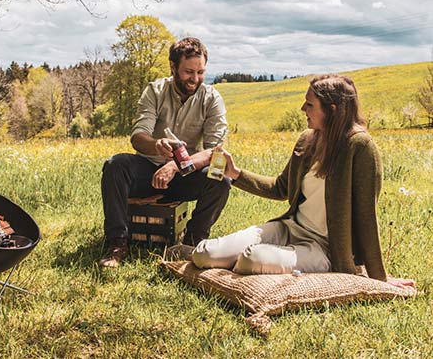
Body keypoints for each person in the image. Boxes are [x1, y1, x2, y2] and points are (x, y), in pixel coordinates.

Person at [190, 74, 414, 288]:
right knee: (204, 254)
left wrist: (380, 278)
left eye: (309, 105)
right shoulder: (308, 139)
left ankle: (264, 260)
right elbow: (281, 188)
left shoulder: (361, 147)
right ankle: (189, 251)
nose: (302, 109)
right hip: (289, 228)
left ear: (332, 109)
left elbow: (367, 216)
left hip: (324, 247)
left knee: (250, 259)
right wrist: (235, 173)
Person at [99, 37, 231, 268]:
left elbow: (216, 150)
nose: (195, 79)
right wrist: (155, 145)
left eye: (200, 72)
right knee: (115, 165)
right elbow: (138, 137)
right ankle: (117, 242)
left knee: (221, 178)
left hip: (186, 174)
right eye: (189, 72)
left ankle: (192, 240)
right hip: (149, 171)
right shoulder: (155, 91)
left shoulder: (211, 98)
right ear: (173, 67)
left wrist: (175, 165)